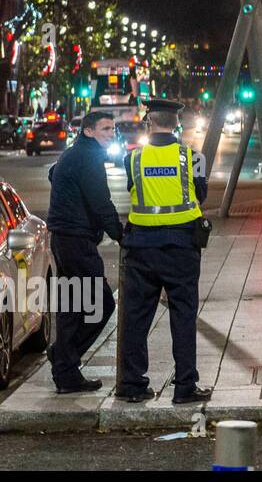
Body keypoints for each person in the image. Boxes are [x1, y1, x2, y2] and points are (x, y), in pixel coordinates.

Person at [115, 99, 211, 405]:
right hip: (182, 247)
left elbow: (133, 186)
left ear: (148, 121)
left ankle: (132, 385)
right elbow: (201, 194)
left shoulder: (133, 158)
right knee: (183, 316)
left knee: (136, 318)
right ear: (176, 123)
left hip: (142, 247)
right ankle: (185, 387)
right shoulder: (192, 157)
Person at [45, 110, 123, 394]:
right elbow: (102, 203)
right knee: (101, 304)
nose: (110, 134)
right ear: (88, 131)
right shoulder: (88, 158)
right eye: (105, 129)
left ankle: (64, 367)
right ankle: (65, 360)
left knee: (71, 308)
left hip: (63, 240)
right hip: (77, 242)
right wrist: (122, 235)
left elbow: (54, 173)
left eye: (112, 129)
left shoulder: (72, 154)